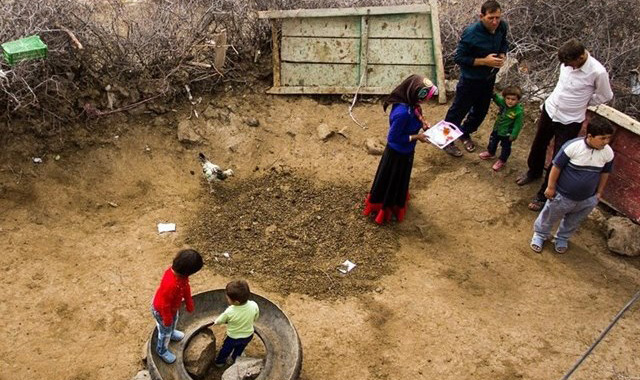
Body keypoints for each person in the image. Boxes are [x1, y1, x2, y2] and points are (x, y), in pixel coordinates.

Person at [516, 39, 613, 212]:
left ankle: (543, 193)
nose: (569, 66)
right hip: (551, 109)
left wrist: (583, 102)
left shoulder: (598, 72)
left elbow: (605, 95)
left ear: (582, 56)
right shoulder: (567, 64)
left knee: (559, 156)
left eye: (571, 63)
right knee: (538, 144)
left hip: (571, 119)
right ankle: (533, 172)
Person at [363, 74, 438, 224]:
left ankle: (397, 199)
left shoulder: (412, 105)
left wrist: (423, 124)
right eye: (425, 97)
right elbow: (393, 138)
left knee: (400, 180)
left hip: (406, 152)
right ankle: (386, 208)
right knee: (392, 181)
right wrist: (417, 137)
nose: (427, 101)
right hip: (396, 156)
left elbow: (416, 116)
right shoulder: (402, 114)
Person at [530, 121, 614, 254]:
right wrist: (551, 187)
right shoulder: (573, 147)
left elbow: (605, 173)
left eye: (608, 138)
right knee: (550, 215)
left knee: (574, 221)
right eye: (602, 138)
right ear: (590, 136)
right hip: (562, 195)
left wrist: (599, 193)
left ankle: (562, 238)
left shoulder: (608, 153)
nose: (606, 142)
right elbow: (556, 167)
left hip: (587, 198)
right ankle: (540, 234)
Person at [442, 0, 510, 157]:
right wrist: (484, 61)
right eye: (491, 18)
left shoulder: (502, 26)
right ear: (481, 16)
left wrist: (502, 54)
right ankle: (446, 140)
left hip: (488, 78)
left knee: (480, 111)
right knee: (458, 111)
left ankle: (464, 132)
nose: (495, 22)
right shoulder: (471, 33)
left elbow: (504, 43)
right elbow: (459, 58)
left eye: (497, 18)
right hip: (470, 80)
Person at [151, 249, 203, 364]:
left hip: (172, 309)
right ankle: (161, 350)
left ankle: (172, 331)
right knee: (164, 333)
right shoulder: (170, 284)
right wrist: (167, 319)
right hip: (162, 311)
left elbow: (186, 287)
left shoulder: (181, 277)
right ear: (188, 272)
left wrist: (189, 301)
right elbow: (165, 304)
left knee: (174, 321)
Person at [214, 279, 260, 368]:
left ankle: (220, 362)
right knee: (240, 349)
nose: (227, 299)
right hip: (248, 335)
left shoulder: (230, 311)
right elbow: (256, 317)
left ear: (236, 302)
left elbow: (220, 320)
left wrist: (216, 322)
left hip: (233, 337)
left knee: (226, 349)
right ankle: (235, 358)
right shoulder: (254, 305)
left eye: (228, 298)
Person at [478, 85, 524, 171]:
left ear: (518, 100)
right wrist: (493, 95)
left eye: (513, 99)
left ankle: (502, 160)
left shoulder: (518, 112)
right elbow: (497, 99)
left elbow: (518, 125)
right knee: (492, 141)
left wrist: (514, 135)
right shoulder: (503, 103)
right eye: (508, 98)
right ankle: (491, 152)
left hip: (507, 134)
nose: (510, 101)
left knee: (505, 147)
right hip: (497, 129)